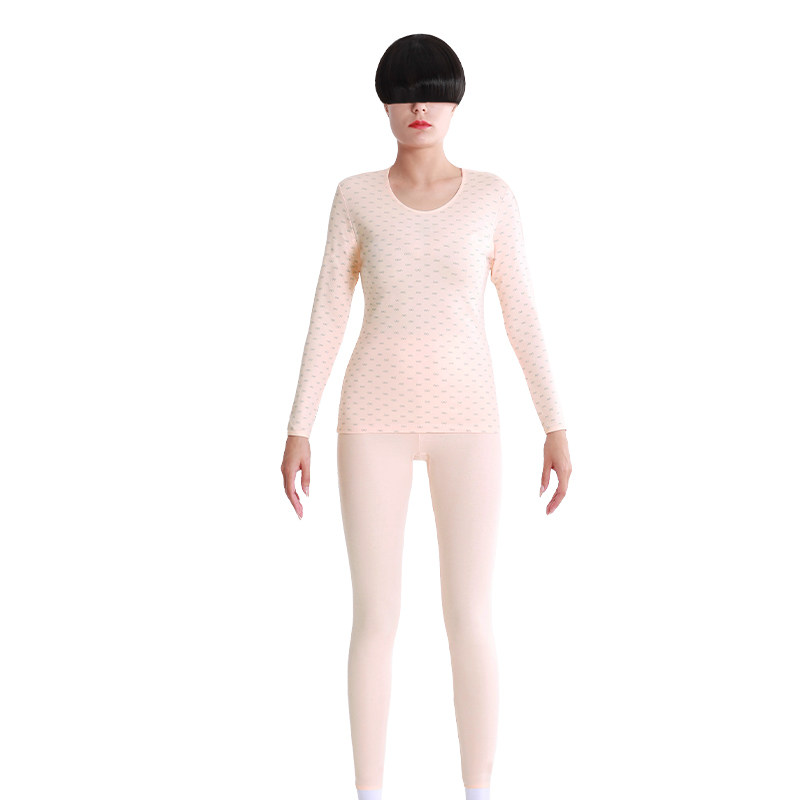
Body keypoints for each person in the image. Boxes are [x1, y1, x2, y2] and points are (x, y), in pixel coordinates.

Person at [281, 33, 573, 800]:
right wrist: (298, 426)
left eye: (434, 91)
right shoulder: (354, 196)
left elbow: (522, 314)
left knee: (470, 614)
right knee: (375, 616)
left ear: (456, 101)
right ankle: (369, 794)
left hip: (470, 422)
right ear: (384, 103)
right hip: (370, 420)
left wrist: (555, 423)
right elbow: (327, 313)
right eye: (405, 91)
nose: (420, 106)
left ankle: (479, 792)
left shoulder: (492, 198)